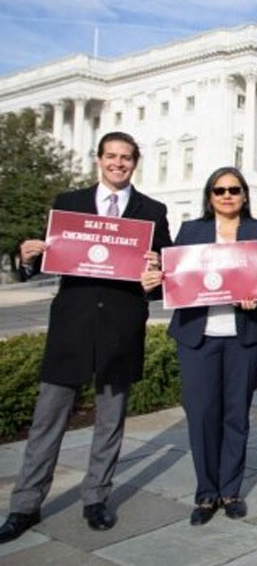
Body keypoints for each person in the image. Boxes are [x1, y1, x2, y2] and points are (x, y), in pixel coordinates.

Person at [0, 132, 171, 543]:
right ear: (99, 160)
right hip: (72, 326)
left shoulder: (154, 211)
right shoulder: (68, 203)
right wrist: (27, 258)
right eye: (111, 156)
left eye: (126, 157)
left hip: (121, 325)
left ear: (135, 162)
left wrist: (156, 272)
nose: (118, 163)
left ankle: (96, 498)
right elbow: (48, 258)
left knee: (110, 421)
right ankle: (25, 504)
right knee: (47, 420)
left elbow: (164, 275)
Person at [142, 167, 257, 525]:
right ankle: (205, 493)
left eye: (234, 189)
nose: (227, 195)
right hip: (197, 333)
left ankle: (230, 491)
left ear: (245, 195)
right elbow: (173, 279)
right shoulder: (191, 231)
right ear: (210, 195)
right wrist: (154, 280)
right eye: (219, 190)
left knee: (236, 414)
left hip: (243, 334)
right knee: (201, 414)